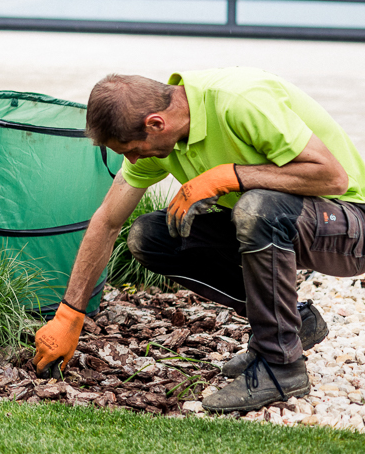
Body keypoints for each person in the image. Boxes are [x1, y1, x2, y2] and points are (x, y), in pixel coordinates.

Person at [32, 68, 365, 413]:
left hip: (349, 223)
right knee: (151, 237)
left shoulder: (239, 103)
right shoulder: (167, 141)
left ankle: (281, 368)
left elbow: (333, 177)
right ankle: (292, 323)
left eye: (131, 149)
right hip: (282, 224)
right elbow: (107, 221)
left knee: (256, 209)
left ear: (156, 124)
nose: (131, 159)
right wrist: (70, 314)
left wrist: (227, 176)